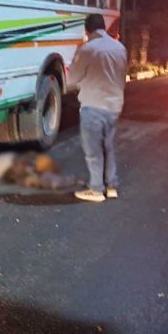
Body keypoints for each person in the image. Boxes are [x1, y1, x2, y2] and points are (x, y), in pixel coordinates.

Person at [67, 13, 128, 203]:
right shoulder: (120, 48)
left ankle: (96, 190)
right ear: (104, 27)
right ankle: (111, 186)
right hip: (114, 105)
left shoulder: (87, 49)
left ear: (87, 30)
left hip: (93, 104)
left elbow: (71, 80)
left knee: (93, 149)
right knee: (107, 146)